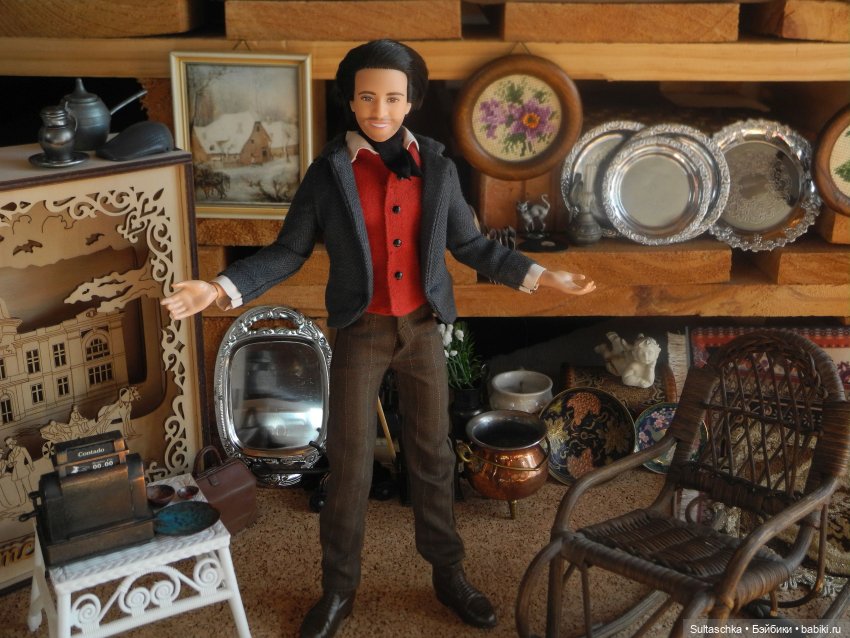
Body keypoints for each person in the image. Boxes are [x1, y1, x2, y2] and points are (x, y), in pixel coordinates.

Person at [161, 39, 595, 638]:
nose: (380, 110)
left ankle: (449, 573)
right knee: (348, 465)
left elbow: (470, 245)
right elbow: (288, 251)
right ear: (350, 100)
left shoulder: (437, 166)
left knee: (433, 456)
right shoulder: (328, 173)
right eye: (367, 97)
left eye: (393, 97)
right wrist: (218, 287)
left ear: (411, 100)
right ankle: (338, 589)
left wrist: (543, 275)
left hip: (422, 329)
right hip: (360, 330)